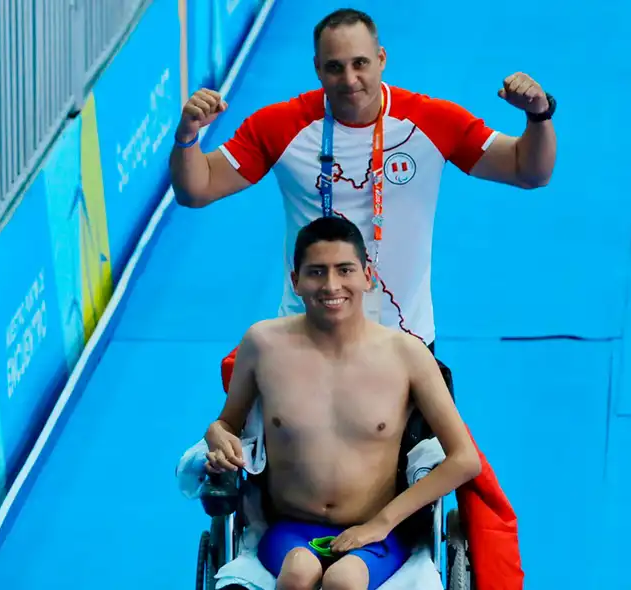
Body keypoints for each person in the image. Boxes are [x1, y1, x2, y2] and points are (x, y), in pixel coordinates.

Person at [175, 8, 544, 588]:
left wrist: (539, 117)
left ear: (382, 62)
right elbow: (195, 188)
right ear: (317, 70)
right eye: (334, 68)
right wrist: (188, 136)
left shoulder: (430, 121)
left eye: (360, 64)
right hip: (297, 346)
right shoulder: (281, 125)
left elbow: (528, 169)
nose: (349, 79)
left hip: (402, 351)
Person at [204, 216, 482, 590]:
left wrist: (380, 524)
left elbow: (465, 459)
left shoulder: (407, 355)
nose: (331, 285)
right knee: (300, 571)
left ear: (367, 276)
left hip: (376, 532)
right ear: (296, 282)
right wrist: (216, 436)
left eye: (344, 270)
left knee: (345, 580)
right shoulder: (263, 345)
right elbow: (226, 423)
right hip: (290, 530)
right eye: (316, 272)